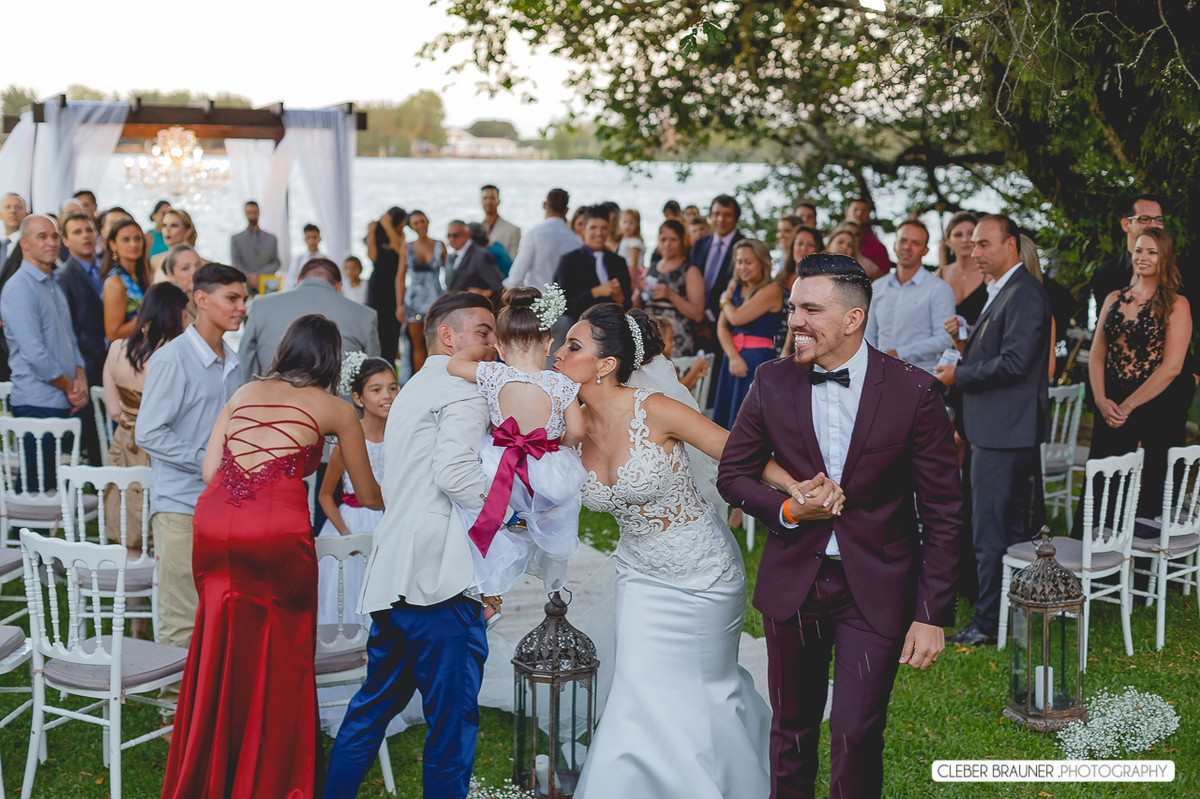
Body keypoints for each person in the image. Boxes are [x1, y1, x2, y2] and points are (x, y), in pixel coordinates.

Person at [718, 253, 962, 799]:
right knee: (792, 733)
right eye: (792, 308)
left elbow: (945, 511)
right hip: (793, 583)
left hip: (874, 586)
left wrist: (930, 614)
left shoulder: (914, 392)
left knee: (856, 733)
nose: (795, 321)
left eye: (810, 309)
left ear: (853, 319)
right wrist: (786, 508)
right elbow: (733, 474)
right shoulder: (772, 381)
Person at [559, 303, 791, 799]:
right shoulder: (567, 427)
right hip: (639, 576)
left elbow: (736, 451)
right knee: (637, 693)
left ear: (605, 364)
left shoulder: (654, 409)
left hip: (703, 575)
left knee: (702, 696)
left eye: (573, 346)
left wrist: (797, 488)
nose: (558, 352)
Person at [162, 315, 382, 799]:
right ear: (331, 359)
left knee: (221, 639)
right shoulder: (335, 408)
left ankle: (212, 770)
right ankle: (269, 780)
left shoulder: (243, 393)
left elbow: (208, 469)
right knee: (281, 651)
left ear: (285, 350)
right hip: (275, 531)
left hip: (216, 520)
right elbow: (365, 494)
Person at [326, 292, 497, 799]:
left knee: (371, 708)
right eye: (484, 332)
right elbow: (454, 473)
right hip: (439, 583)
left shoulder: (415, 389)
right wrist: (512, 517)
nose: (494, 344)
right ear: (449, 336)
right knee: (452, 727)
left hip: (393, 576)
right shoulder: (464, 392)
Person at [135, 263, 248, 716]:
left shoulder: (237, 362)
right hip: (180, 503)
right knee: (182, 610)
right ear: (201, 300)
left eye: (243, 299)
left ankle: (214, 705)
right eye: (232, 298)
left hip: (227, 504)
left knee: (223, 606)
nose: (242, 307)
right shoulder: (171, 358)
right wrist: (210, 460)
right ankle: (174, 712)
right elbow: (149, 432)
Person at [936, 214, 1050, 647]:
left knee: (992, 532)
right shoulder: (1004, 290)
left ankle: (987, 623)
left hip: (1005, 431)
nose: (975, 252)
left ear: (1012, 245)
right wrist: (967, 347)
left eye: (984, 244)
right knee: (1000, 528)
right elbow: (999, 352)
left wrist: (957, 374)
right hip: (996, 428)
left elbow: (1016, 363)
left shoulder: (1024, 293)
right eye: (973, 245)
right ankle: (1008, 613)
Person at [446, 285, 587, 625]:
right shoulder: (560, 384)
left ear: (499, 345)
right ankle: (540, 551)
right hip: (546, 474)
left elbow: (453, 365)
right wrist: (558, 445)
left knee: (472, 510)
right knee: (552, 512)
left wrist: (484, 349)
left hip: (500, 467)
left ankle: (488, 591)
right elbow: (579, 431)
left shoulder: (494, 373)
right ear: (548, 343)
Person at [1087, 228, 1191, 518]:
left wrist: (1128, 405)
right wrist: (1100, 399)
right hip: (1109, 404)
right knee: (1104, 479)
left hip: (1153, 404)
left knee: (1148, 487)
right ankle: (1096, 552)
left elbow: (1172, 367)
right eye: (1139, 250)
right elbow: (1097, 355)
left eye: (1152, 252)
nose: (1143, 257)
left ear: (1165, 258)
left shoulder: (1177, 304)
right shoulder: (1113, 299)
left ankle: (1143, 555)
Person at [102, 283, 189, 568]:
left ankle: (133, 607)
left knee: (129, 528)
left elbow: (114, 410)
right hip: (164, 449)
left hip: (125, 443)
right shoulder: (175, 359)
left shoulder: (117, 349)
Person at [0, 216, 87, 489]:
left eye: (53, 236)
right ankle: (22, 533)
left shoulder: (53, 284)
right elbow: (34, 353)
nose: (51, 242)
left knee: (51, 484)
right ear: (24, 243)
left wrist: (80, 379)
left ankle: (48, 532)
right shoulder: (18, 288)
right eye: (42, 236)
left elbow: (70, 339)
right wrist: (70, 386)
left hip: (61, 397)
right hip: (37, 402)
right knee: (35, 487)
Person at [316, 355, 396, 626]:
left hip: (391, 521)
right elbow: (325, 495)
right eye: (376, 390)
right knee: (351, 590)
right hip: (353, 524)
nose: (387, 396)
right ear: (358, 398)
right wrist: (346, 536)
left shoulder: (401, 435)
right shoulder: (349, 440)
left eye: (393, 388)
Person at [240, 258, 380, 383]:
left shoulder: (261, 306)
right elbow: (373, 374)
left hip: (272, 405)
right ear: (338, 287)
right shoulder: (365, 315)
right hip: (339, 409)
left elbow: (246, 361)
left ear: (298, 281)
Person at [864, 219, 956, 373]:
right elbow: (869, 333)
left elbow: (945, 339)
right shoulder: (877, 287)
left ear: (925, 250)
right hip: (878, 373)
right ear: (895, 244)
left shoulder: (939, 288)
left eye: (915, 243)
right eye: (903, 241)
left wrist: (899, 353)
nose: (907, 246)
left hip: (920, 376)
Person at [713, 239, 784, 429]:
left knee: (748, 419)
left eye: (748, 262)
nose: (742, 267)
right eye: (739, 261)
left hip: (756, 361)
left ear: (762, 262)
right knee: (725, 417)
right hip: (733, 359)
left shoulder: (772, 289)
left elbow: (736, 318)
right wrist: (733, 356)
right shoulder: (735, 288)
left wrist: (724, 300)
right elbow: (722, 327)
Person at [54, 213, 107, 465]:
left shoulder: (108, 269)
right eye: (77, 232)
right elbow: (67, 331)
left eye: (89, 230)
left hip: (114, 362)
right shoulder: (64, 278)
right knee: (94, 436)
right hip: (87, 366)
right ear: (65, 240)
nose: (85, 235)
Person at [553, 206, 633, 326]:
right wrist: (594, 292)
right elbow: (562, 305)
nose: (599, 233)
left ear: (610, 230)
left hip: (610, 330)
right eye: (593, 228)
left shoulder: (619, 262)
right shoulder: (568, 261)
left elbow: (628, 305)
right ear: (584, 230)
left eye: (604, 228)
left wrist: (619, 297)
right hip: (577, 328)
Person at [643, 219, 705, 357]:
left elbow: (698, 315)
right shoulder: (651, 268)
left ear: (682, 241)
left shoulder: (690, 271)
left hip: (677, 341)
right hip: (650, 341)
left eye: (673, 239)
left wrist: (670, 295)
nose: (667, 244)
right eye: (663, 239)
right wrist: (638, 291)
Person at [505, 188, 580, 290]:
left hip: (538, 300)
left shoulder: (533, 235)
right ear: (566, 210)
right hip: (567, 302)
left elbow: (515, 279)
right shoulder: (575, 239)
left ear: (544, 205)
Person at [690, 194, 746, 323]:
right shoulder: (699, 245)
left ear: (736, 219)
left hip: (726, 321)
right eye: (716, 214)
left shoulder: (745, 246)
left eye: (727, 215)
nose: (721, 219)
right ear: (710, 216)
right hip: (695, 321)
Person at [402, 210, 447, 372]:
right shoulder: (407, 248)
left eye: (422, 221)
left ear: (428, 221)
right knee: (417, 344)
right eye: (415, 223)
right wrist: (399, 306)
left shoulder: (439, 245)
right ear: (411, 227)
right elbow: (400, 277)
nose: (420, 225)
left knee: (436, 343)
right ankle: (419, 380)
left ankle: (437, 376)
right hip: (413, 300)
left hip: (435, 299)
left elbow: (449, 275)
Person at [366, 206, 407, 365]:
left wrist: (388, 226)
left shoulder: (399, 236)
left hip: (394, 286)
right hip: (377, 285)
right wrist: (372, 231)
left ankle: (389, 364)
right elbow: (373, 256)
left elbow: (399, 249)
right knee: (376, 327)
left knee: (391, 330)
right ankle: (374, 363)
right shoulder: (377, 232)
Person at [101, 216, 151, 341]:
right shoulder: (115, 282)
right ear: (113, 245)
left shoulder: (140, 276)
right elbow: (113, 334)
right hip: (124, 353)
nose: (133, 244)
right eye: (126, 239)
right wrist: (149, 317)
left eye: (137, 238)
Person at [935, 211, 985, 324]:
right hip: (945, 340)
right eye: (958, 235)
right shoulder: (940, 275)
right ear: (948, 242)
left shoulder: (989, 274)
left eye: (970, 233)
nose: (965, 239)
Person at [445, 221, 505, 302]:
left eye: (455, 235)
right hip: (454, 307)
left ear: (467, 234)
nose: (451, 239)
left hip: (473, 308)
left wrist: (483, 293)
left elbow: (498, 287)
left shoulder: (480, 255)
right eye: (449, 236)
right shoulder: (451, 256)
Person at [229, 200, 281, 292]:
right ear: (245, 214)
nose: (252, 216)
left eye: (255, 212)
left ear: (259, 213)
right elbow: (236, 264)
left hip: (267, 286)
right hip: (245, 287)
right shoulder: (236, 239)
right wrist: (250, 276)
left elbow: (276, 263)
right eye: (249, 213)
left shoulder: (271, 238)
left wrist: (258, 275)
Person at [844, 196, 893, 273]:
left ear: (869, 216)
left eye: (864, 211)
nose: (859, 213)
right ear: (846, 214)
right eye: (855, 210)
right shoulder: (832, 242)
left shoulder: (878, 247)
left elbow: (883, 279)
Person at [150, 209, 199, 283]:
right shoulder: (155, 260)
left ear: (188, 231)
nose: (167, 230)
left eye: (174, 225)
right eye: (164, 225)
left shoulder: (202, 263)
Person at [161, 244, 201, 326]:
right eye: (185, 268)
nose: (195, 272)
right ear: (171, 276)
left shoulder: (207, 302)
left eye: (197, 266)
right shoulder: (170, 313)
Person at [480, 184, 521, 258]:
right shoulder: (474, 230)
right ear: (481, 201)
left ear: (498, 200)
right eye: (485, 198)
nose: (488, 202)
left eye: (492, 198)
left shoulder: (513, 230)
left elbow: (513, 260)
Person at [286, 223, 331, 289]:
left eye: (314, 237)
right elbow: (290, 280)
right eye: (308, 238)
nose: (311, 241)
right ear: (304, 239)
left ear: (320, 238)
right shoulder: (298, 260)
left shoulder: (326, 260)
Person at [616, 208, 645, 277]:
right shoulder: (624, 240)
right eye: (625, 222)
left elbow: (634, 264)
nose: (627, 226)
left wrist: (631, 281)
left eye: (631, 223)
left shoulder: (634, 243)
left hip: (631, 273)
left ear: (637, 225)